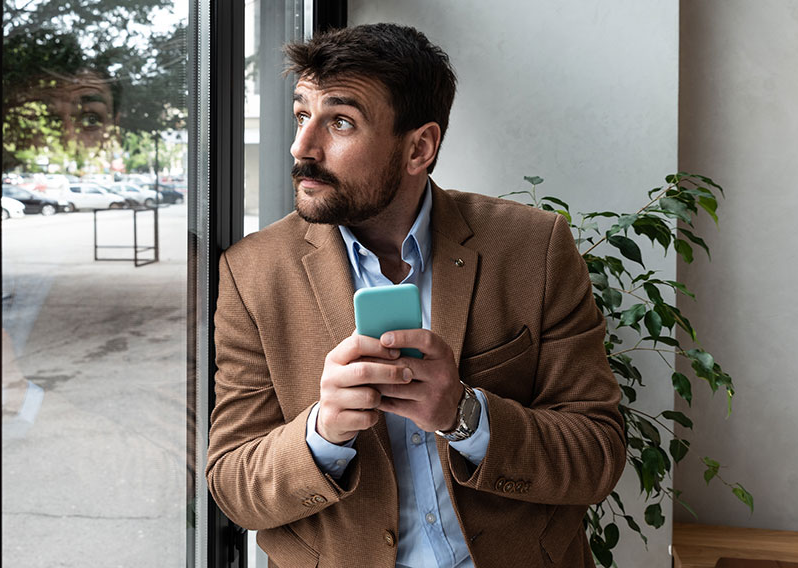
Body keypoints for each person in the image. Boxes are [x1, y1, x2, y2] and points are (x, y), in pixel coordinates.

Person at [206, 23, 625, 567]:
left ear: (419, 147)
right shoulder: (252, 273)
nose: (301, 147)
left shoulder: (533, 248)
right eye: (302, 114)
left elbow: (598, 453)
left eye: (339, 122)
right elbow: (234, 486)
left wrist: (464, 413)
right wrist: (322, 432)